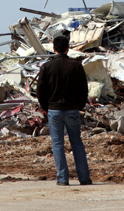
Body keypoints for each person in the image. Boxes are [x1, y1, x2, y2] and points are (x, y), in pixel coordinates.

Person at [36, 35, 92, 186]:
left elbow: (40, 91)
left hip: (54, 110)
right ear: (68, 48)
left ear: (53, 49)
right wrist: (79, 106)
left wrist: (45, 107)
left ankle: (62, 179)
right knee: (77, 143)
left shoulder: (46, 67)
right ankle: (84, 178)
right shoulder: (76, 66)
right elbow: (84, 90)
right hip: (73, 110)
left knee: (58, 144)